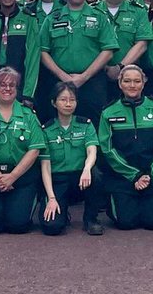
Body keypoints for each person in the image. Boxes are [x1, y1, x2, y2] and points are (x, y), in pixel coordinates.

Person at [0, 67, 47, 235]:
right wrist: (0, 178)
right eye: (2, 85)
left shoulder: (28, 115)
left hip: (20, 176)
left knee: (17, 226)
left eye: (12, 85)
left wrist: (12, 177)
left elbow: (34, 150)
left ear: (17, 89)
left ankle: (10, 207)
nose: (7, 89)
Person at [98, 65, 153, 230]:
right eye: (127, 81)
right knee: (126, 223)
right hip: (124, 177)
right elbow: (107, 149)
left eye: (136, 81)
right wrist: (135, 175)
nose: (132, 85)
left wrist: (150, 175)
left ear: (143, 83)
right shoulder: (108, 112)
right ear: (120, 84)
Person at [37, 0, 117, 123]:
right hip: (59, 82)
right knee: (58, 126)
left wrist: (84, 77)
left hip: (92, 83)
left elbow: (108, 50)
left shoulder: (99, 16)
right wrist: (64, 77)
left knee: (94, 125)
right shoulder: (53, 18)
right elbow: (43, 51)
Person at [39, 82, 105, 236]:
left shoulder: (86, 125)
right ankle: (62, 213)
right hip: (58, 180)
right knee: (52, 227)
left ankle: (91, 219)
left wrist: (87, 169)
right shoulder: (46, 129)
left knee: (96, 175)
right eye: (63, 100)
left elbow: (92, 151)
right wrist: (51, 198)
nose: (68, 104)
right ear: (54, 103)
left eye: (72, 100)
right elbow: (45, 166)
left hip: (81, 178)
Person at [98, 0, 153, 102]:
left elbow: (142, 44)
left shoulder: (138, 11)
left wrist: (120, 67)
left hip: (130, 79)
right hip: (98, 76)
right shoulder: (93, 12)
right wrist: (104, 67)